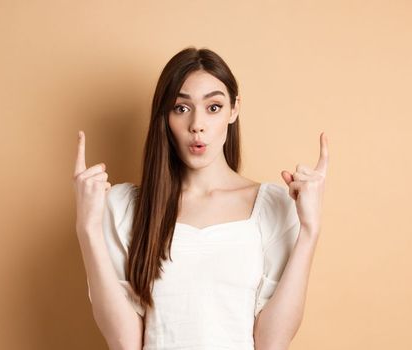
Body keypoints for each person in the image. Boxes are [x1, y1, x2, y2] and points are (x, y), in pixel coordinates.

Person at [73, 47, 329, 350]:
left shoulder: (272, 206)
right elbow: (124, 342)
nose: (197, 124)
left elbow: (272, 343)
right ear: (165, 117)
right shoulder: (126, 207)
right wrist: (87, 228)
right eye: (181, 108)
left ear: (234, 110)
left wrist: (310, 229)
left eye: (213, 107)